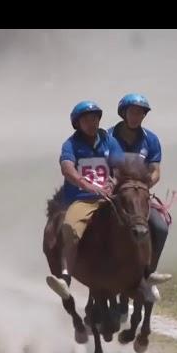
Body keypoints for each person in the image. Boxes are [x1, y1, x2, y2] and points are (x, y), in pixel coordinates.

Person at [45, 101, 125, 299]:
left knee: (136, 224)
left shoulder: (109, 141)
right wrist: (87, 185)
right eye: (87, 119)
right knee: (70, 228)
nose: (92, 123)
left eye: (95, 118)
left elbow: (120, 167)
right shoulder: (71, 144)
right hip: (82, 200)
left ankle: (141, 273)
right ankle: (66, 278)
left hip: (109, 198)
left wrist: (112, 183)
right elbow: (67, 168)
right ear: (77, 123)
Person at [108, 93, 172, 303]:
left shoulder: (150, 139)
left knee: (160, 227)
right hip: (113, 195)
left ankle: (148, 274)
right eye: (133, 112)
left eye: (141, 113)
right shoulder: (107, 137)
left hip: (139, 196)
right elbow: (99, 166)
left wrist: (144, 187)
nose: (137, 116)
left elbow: (155, 171)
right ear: (123, 113)